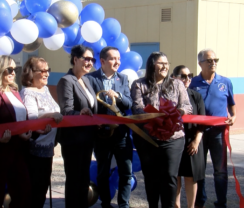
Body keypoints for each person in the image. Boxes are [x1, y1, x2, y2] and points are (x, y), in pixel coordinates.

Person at [130, 52, 192, 208]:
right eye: (160, 63)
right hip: (148, 138)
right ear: (151, 65)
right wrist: (158, 115)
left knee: (170, 176)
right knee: (151, 177)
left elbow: (187, 106)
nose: (165, 66)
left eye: (167, 63)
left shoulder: (177, 84)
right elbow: (137, 109)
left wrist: (178, 112)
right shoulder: (139, 84)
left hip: (173, 138)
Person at [0, 55, 32, 208]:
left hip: (19, 151)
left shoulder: (14, 91)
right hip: (0, 153)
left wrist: (25, 132)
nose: (13, 73)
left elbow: (19, 120)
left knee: (23, 193)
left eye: (14, 69)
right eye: (9, 69)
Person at [86, 46, 133, 208]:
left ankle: (123, 204)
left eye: (119, 59)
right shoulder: (90, 79)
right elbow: (88, 104)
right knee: (102, 171)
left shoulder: (123, 78)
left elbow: (129, 103)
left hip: (121, 133)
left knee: (126, 171)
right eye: (113, 58)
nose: (117, 62)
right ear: (103, 61)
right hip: (101, 134)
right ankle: (105, 203)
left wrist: (118, 96)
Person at [190, 49, 236, 208]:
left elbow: (231, 105)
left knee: (220, 171)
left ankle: (221, 203)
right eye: (209, 60)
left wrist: (233, 116)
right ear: (200, 63)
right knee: (199, 169)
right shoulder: (192, 83)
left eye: (215, 59)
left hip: (218, 133)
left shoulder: (226, 82)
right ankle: (199, 201)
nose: (213, 63)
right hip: (198, 134)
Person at [56, 45, 98, 208]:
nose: (89, 62)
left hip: (87, 139)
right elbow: (66, 111)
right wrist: (80, 113)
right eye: (86, 59)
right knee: (74, 181)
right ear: (75, 59)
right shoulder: (66, 81)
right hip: (73, 140)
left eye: (92, 60)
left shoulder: (86, 80)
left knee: (83, 180)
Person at [20, 56, 63, 208]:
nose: (47, 74)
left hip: (48, 148)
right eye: (42, 70)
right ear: (31, 73)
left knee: (42, 190)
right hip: (35, 149)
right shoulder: (28, 92)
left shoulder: (44, 89)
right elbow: (31, 118)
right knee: (35, 192)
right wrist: (50, 116)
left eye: (48, 70)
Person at [172, 65, 205, 208]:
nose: (187, 79)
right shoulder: (168, 95)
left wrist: (196, 142)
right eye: (183, 76)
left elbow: (202, 121)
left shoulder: (196, 96)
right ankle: (176, 205)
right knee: (175, 176)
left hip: (193, 141)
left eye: (189, 75)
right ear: (174, 77)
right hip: (174, 142)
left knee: (191, 177)